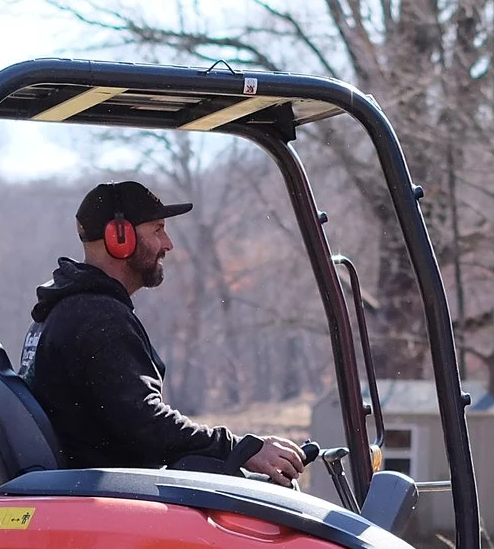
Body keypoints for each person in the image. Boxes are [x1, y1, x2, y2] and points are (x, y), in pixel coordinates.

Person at [22, 180, 307, 483]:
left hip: (94, 489)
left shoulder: (61, 311)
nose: (168, 244)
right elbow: (147, 425)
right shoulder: (98, 318)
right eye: (157, 230)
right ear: (120, 238)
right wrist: (242, 449)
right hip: (110, 499)